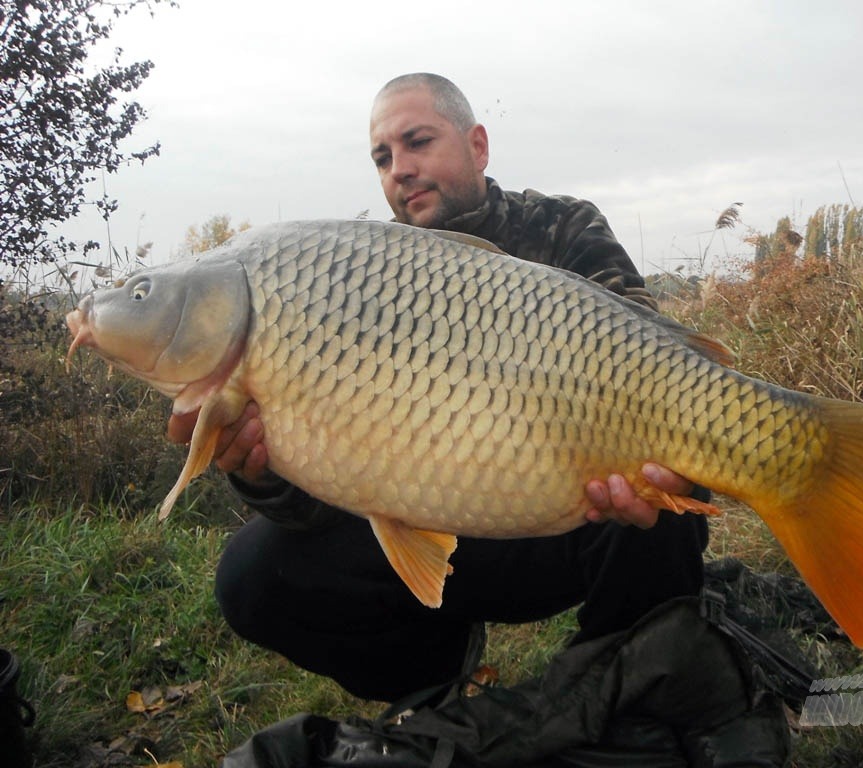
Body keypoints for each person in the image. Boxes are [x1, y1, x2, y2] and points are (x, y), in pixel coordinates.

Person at [169, 74, 792, 761]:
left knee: (668, 473)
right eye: (381, 157)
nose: (400, 168)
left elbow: (657, 369)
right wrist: (256, 469)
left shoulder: (562, 227)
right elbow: (313, 506)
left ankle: (625, 678)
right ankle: (431, 670)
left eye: (417, 142)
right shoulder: (352, 277)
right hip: (429, 519)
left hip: (561, 518)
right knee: (254, 576)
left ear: (477, 145)